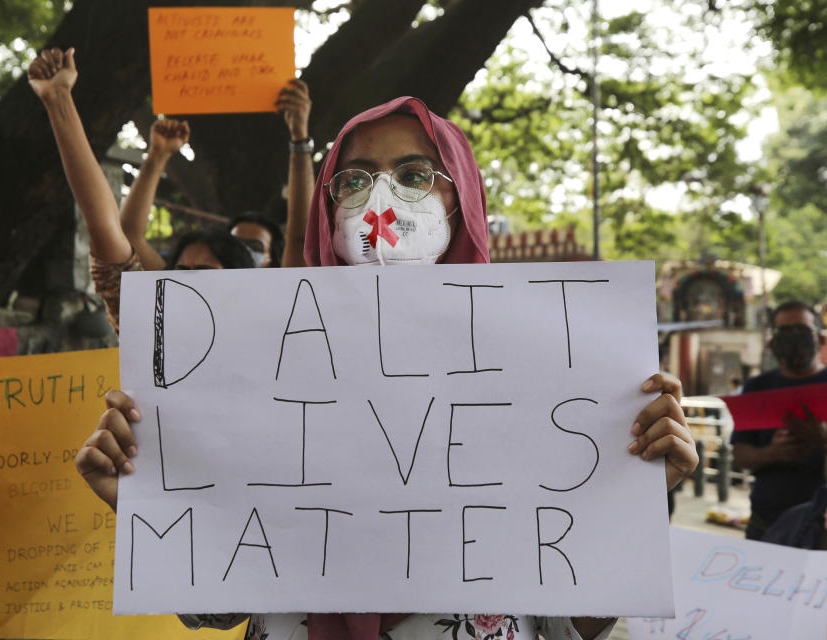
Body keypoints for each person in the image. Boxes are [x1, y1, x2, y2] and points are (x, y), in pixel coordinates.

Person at [74, 98, 699, 640]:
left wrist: (635, 493)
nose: (380, 198)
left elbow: (572, 627)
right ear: (325, 207)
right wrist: (143, 503)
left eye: (415, 173)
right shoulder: (258, 364)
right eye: (354, 179)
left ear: (465, 197)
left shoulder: (551, 368)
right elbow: (217, 611)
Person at [28, 48, 254, 331]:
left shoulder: (268, 334)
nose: (188, 283)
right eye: (181, 272)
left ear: (243, 287)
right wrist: (58, 98)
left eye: (206, 274)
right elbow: (108, 227)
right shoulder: (148, 319)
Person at [120, 77, 312, 269]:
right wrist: (157, 155)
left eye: (255, 246)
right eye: (235, 244)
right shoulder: (176, 288)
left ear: (275, 261)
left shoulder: (286, 293)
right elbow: (129, 236)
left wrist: (300, 138)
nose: (242, 251)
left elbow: (302, 238)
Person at [731, 300, 827, 540]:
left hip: (821, 529)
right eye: (785, 331)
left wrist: (822, 438)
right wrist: (773, 452)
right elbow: (740, 455)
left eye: (802, 330)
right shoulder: (756, 387)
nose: (794, 338)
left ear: (820, 338)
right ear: (772, 342)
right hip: (765, 524)